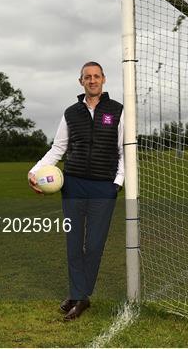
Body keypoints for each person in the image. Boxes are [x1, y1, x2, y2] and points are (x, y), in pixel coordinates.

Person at [28, 61, 124, 321]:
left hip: (103, 187)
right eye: (87, 77)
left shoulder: (118, 111)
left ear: (104, 79)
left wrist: (118, 181)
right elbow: (58, 149)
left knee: (93, 245)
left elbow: (123, 151)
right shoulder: (71, 113)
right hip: (73, 185)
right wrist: (35, 171)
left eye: (96, 76)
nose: (92, 80)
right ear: (80, 81)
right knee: (73, 244)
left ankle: (80, 292)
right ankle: (79, 296)